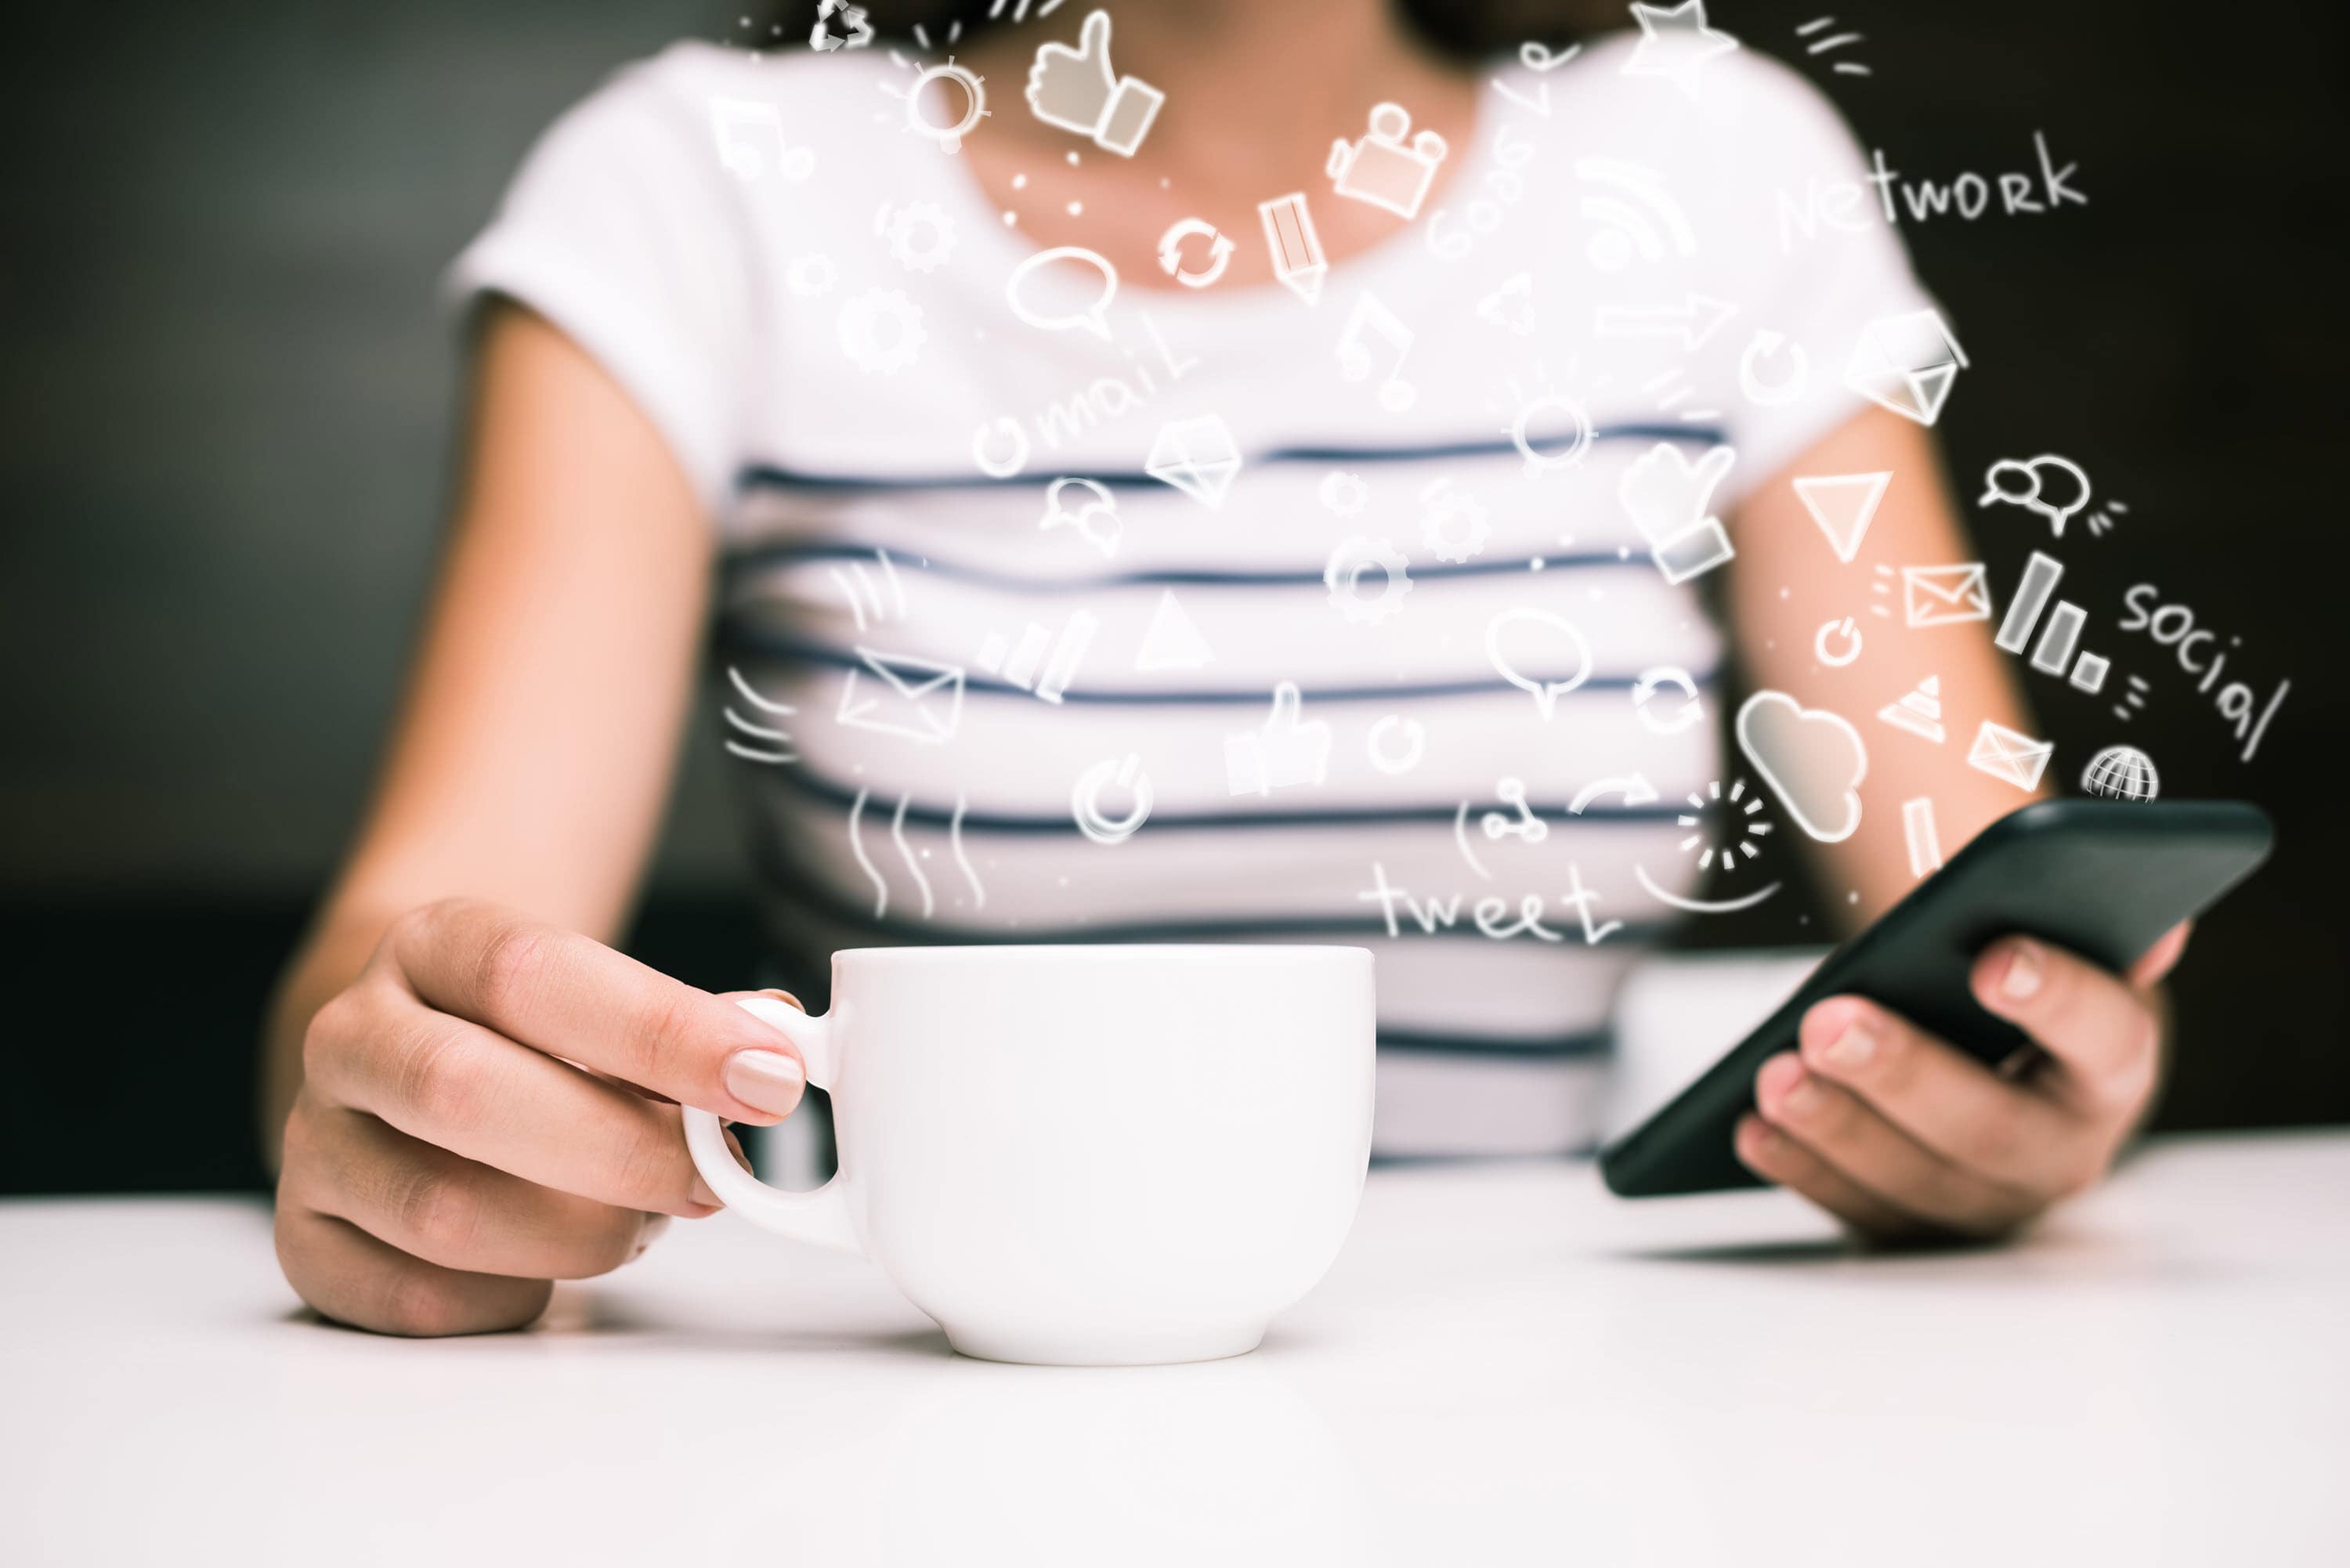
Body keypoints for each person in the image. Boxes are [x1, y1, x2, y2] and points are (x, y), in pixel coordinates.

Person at [264, 0, 2185, 1335]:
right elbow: (416, 961)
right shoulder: (704, 189)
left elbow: (1978, 898)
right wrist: (394, 1103)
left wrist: (2043, 1083)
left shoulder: (1717, 162)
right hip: (902, 1394)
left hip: (1561, 1393)